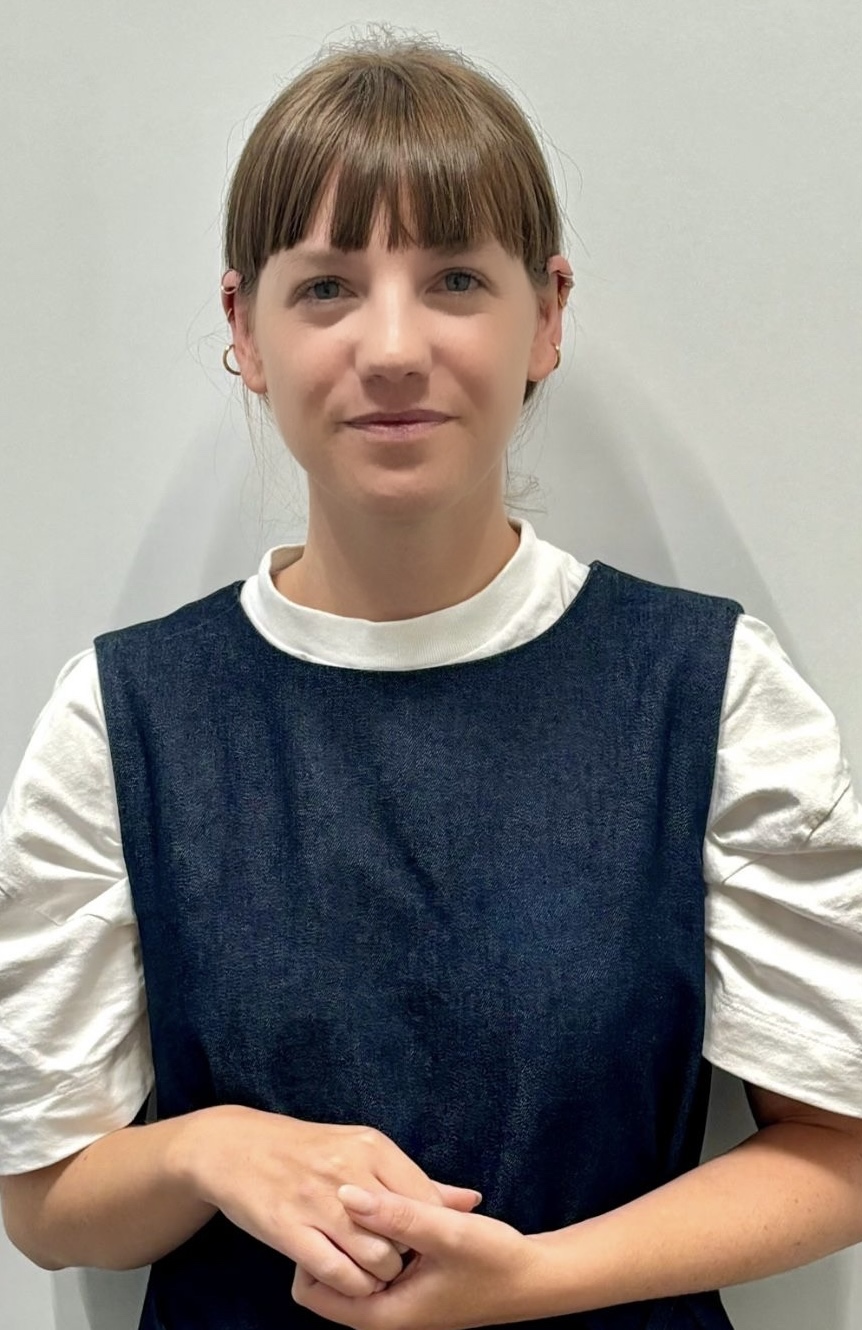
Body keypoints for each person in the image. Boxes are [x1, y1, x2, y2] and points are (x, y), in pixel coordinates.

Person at [1, 26, 861, 1330]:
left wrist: (537, 1279)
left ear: (546, 315)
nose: (393, 346)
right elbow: (45, 1197)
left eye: (455, 277)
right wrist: (207, 1148)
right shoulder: (126, 719)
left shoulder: (710, 694)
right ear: (244, 328)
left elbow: (837, 1142)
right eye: (326, 287)